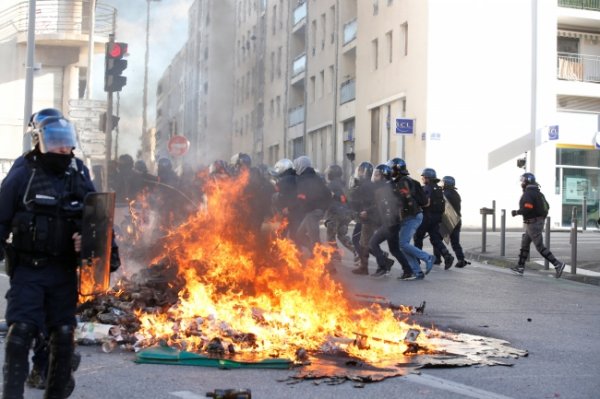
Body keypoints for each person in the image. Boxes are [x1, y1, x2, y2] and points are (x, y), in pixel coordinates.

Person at [0, 114, 120, 398]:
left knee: (64, 335)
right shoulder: (22, 174)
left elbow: (96, 218)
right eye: (55, 141)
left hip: (63, 272)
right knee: (20, 334)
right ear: (39, 141)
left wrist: (96, 247)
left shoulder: (77, 174)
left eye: (66, 142)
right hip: (29, 269)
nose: (63, 148)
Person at [510, 172, 566, 278]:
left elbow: (527, 207)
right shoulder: (538, 193)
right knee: (525, 243)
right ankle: (520, 267)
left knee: (540, 247)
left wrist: (517, 212)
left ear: (527, 181)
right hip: (534, 222)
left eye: (523, 181)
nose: (521, 183)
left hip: (533, 223)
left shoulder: (528, 193)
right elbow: (547, 206)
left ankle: (557, 264)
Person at [387, 158, 434, 280]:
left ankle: (427, 257)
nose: (390, 172)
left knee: (402, 243)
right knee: (402, 244)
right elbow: (424, 202)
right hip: (410, 216)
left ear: (397, 169)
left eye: (391, 169)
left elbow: (407, 201)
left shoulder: (403, 182)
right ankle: (417, 272)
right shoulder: (405, 181)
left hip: (412, 216)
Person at [368, 163, 413, 278]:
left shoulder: (385, 189)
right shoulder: (392, 186)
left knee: (373, 243)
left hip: (390, 223)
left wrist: (388, 223)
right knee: (394, 249)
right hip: (394, 223)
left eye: (377, 175)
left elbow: (389, 206)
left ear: (383, 176)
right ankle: (408, 271)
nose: (375, 177)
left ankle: (383, 267)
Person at [413, 168, 454, 270]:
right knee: (435, 239)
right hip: (436, 218)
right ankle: (447, 256)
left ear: (427, 178)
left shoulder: (427, 188)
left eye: (423, 177)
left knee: (418, 237)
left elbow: (426, 202)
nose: (422, 179)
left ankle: (417, 259)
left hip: (426, 217)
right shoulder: (438, 188)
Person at [292, 156, 331, 254]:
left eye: (297, 165)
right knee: (299, 235)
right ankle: (315, 255)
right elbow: (328, 193)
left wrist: (305, 205)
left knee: (315, 240)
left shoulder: (303, 179)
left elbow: (302, 196)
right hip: (313, 211)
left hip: (312, 212)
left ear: (301, 166)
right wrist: (323, 208)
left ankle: (328, 266)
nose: (295, 168)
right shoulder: (316, 177)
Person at [347, 161, 376, 275]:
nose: (358, 173)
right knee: (366, 242)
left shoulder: (366, 186)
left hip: (367, 217)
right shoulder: (365, 185)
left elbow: (368, 202)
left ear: (365, 172)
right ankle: (367, 265)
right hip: (365, 216)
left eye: (360, 171)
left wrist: (365, 211)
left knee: (358, 240)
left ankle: (366, 266)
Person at [323, 164, 354, 261]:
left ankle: (335, 255)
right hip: (346, 213)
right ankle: (357, 251)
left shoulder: (331, 185)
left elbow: (326, 199)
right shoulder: (344, 184)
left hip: (335, 214)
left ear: (331, 174)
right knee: (342, 235)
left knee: (331, 236)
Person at [437, 176, 469, 268]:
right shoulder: (456, 193)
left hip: (448, 220)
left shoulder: (446, 194)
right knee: (455, 243)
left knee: (437, 239)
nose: (442, 184)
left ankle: (438, 259)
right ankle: (461, 260)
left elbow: (442, 207)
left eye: (443, 183)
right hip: (457, 220)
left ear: (446, 184)